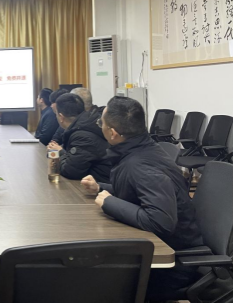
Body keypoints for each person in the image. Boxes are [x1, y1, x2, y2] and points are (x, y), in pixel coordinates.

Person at [81, 96, 204, 301]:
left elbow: (160, 221)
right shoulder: (142, 149)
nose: (100, 126)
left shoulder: (140, 165)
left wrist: (109, 202)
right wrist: (101, 188)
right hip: (163, 246)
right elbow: (137, 191)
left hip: (172, 264)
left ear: (113, 133)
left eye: (101, 122)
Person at [47, 94, 112, 183]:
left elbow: (71, 171)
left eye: (56, 114)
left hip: (100, 185)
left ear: (61, 117)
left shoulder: (83, 136)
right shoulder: (86, 124)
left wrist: (60, 152)